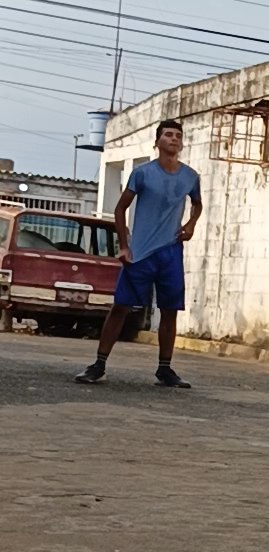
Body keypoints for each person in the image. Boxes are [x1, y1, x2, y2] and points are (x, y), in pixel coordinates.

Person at [76, 117, 203, 390]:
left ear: (182, 143)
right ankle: (98, 365)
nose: (173, 139)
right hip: (141, 252)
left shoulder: (190, 177)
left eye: (178, 136)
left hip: (171, 251)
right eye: (168, 135)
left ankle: (165, 369)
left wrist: (191, 224)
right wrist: (124, 245)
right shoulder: (142, 173)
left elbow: (197, 204)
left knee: (170, 310)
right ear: (157, 142)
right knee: (121, 306)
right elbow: (120, 208)